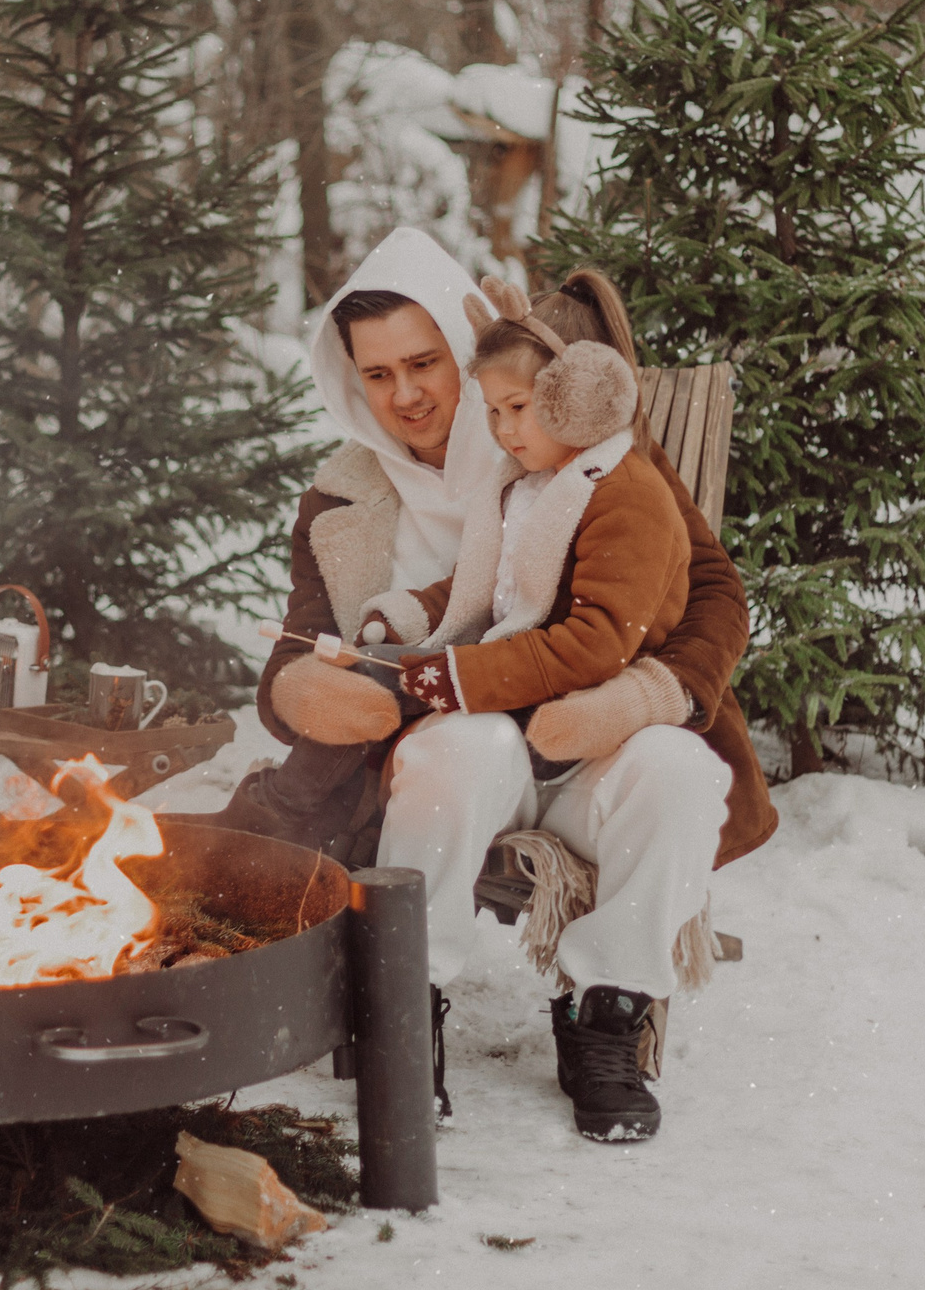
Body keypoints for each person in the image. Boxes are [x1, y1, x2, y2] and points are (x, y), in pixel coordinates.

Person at [235, 232, 777, 1140]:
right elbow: (298, 646)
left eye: (424, 361)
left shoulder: (573, 446)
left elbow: (716, 587)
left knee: (677, 771)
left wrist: (654, 696)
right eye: (376, 375)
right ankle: (412, 1005)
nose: (404, 394)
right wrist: (309, 684)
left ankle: (606, 1011)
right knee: (465, 740)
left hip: (587, 745)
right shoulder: (343, 498)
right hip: (450, 767)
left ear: (469, 346)